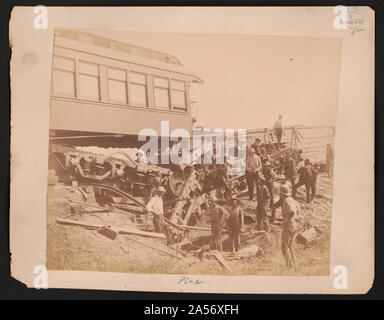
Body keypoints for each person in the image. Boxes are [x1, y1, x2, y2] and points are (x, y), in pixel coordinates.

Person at [274, 185, 299, 268]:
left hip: (289, 225)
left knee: (284, 246)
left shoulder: (286, 201)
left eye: (280, 193)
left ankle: (289, 265)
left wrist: (286, 220)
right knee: (290, 245)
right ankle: (295, 264)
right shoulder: (292, 199)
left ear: (282, 194)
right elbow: (298, 210)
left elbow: (291, 211)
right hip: (294, 224)